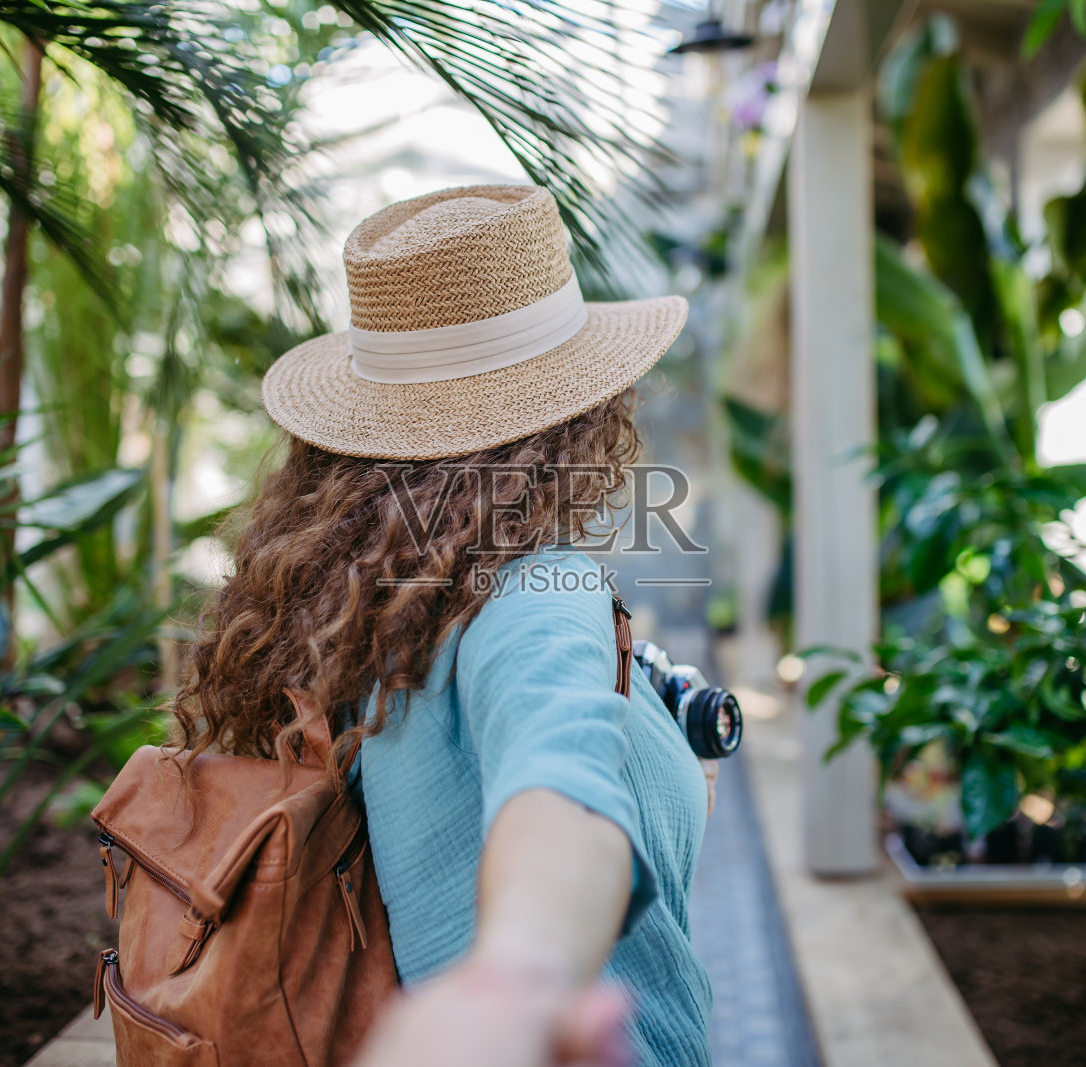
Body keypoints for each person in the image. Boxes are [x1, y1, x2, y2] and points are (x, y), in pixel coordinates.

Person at [175, 184, 713, 1065]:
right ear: (580, 417)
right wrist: (520, 978)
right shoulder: (537, 588)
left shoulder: (361, 606)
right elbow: (559, 779)